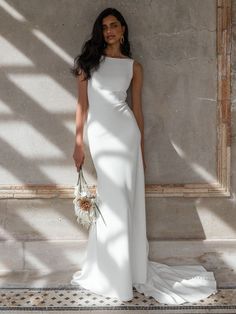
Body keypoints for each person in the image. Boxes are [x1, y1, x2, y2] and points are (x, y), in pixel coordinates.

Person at [70, 7, 218, 304]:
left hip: (127, 137)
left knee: (124, 204)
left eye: (114, 25)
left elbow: (136, 109)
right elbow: (82, 107)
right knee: (112, 204)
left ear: (123, 30)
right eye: (104, 27)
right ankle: (112, 273)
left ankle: (125, 272)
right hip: (100, 138)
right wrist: (78, 144)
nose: (109, 31)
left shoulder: (133, 67)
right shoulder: (89, 64)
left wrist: (140, 150)